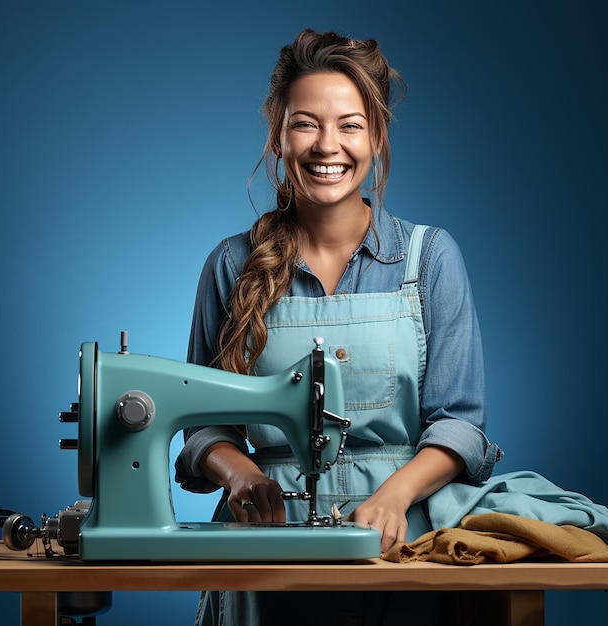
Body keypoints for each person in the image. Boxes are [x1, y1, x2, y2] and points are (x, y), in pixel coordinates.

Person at [175, 28, 504, 625]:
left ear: (376, 138)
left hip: (401, 545)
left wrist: (395, 495)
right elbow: (202, 428)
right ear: (279, 138)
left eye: (350, 125)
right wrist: (242, 473)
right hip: (263, 554)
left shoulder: (429, 259)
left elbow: (459, 423)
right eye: (306, 123)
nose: (328, 145)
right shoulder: (230, 264)